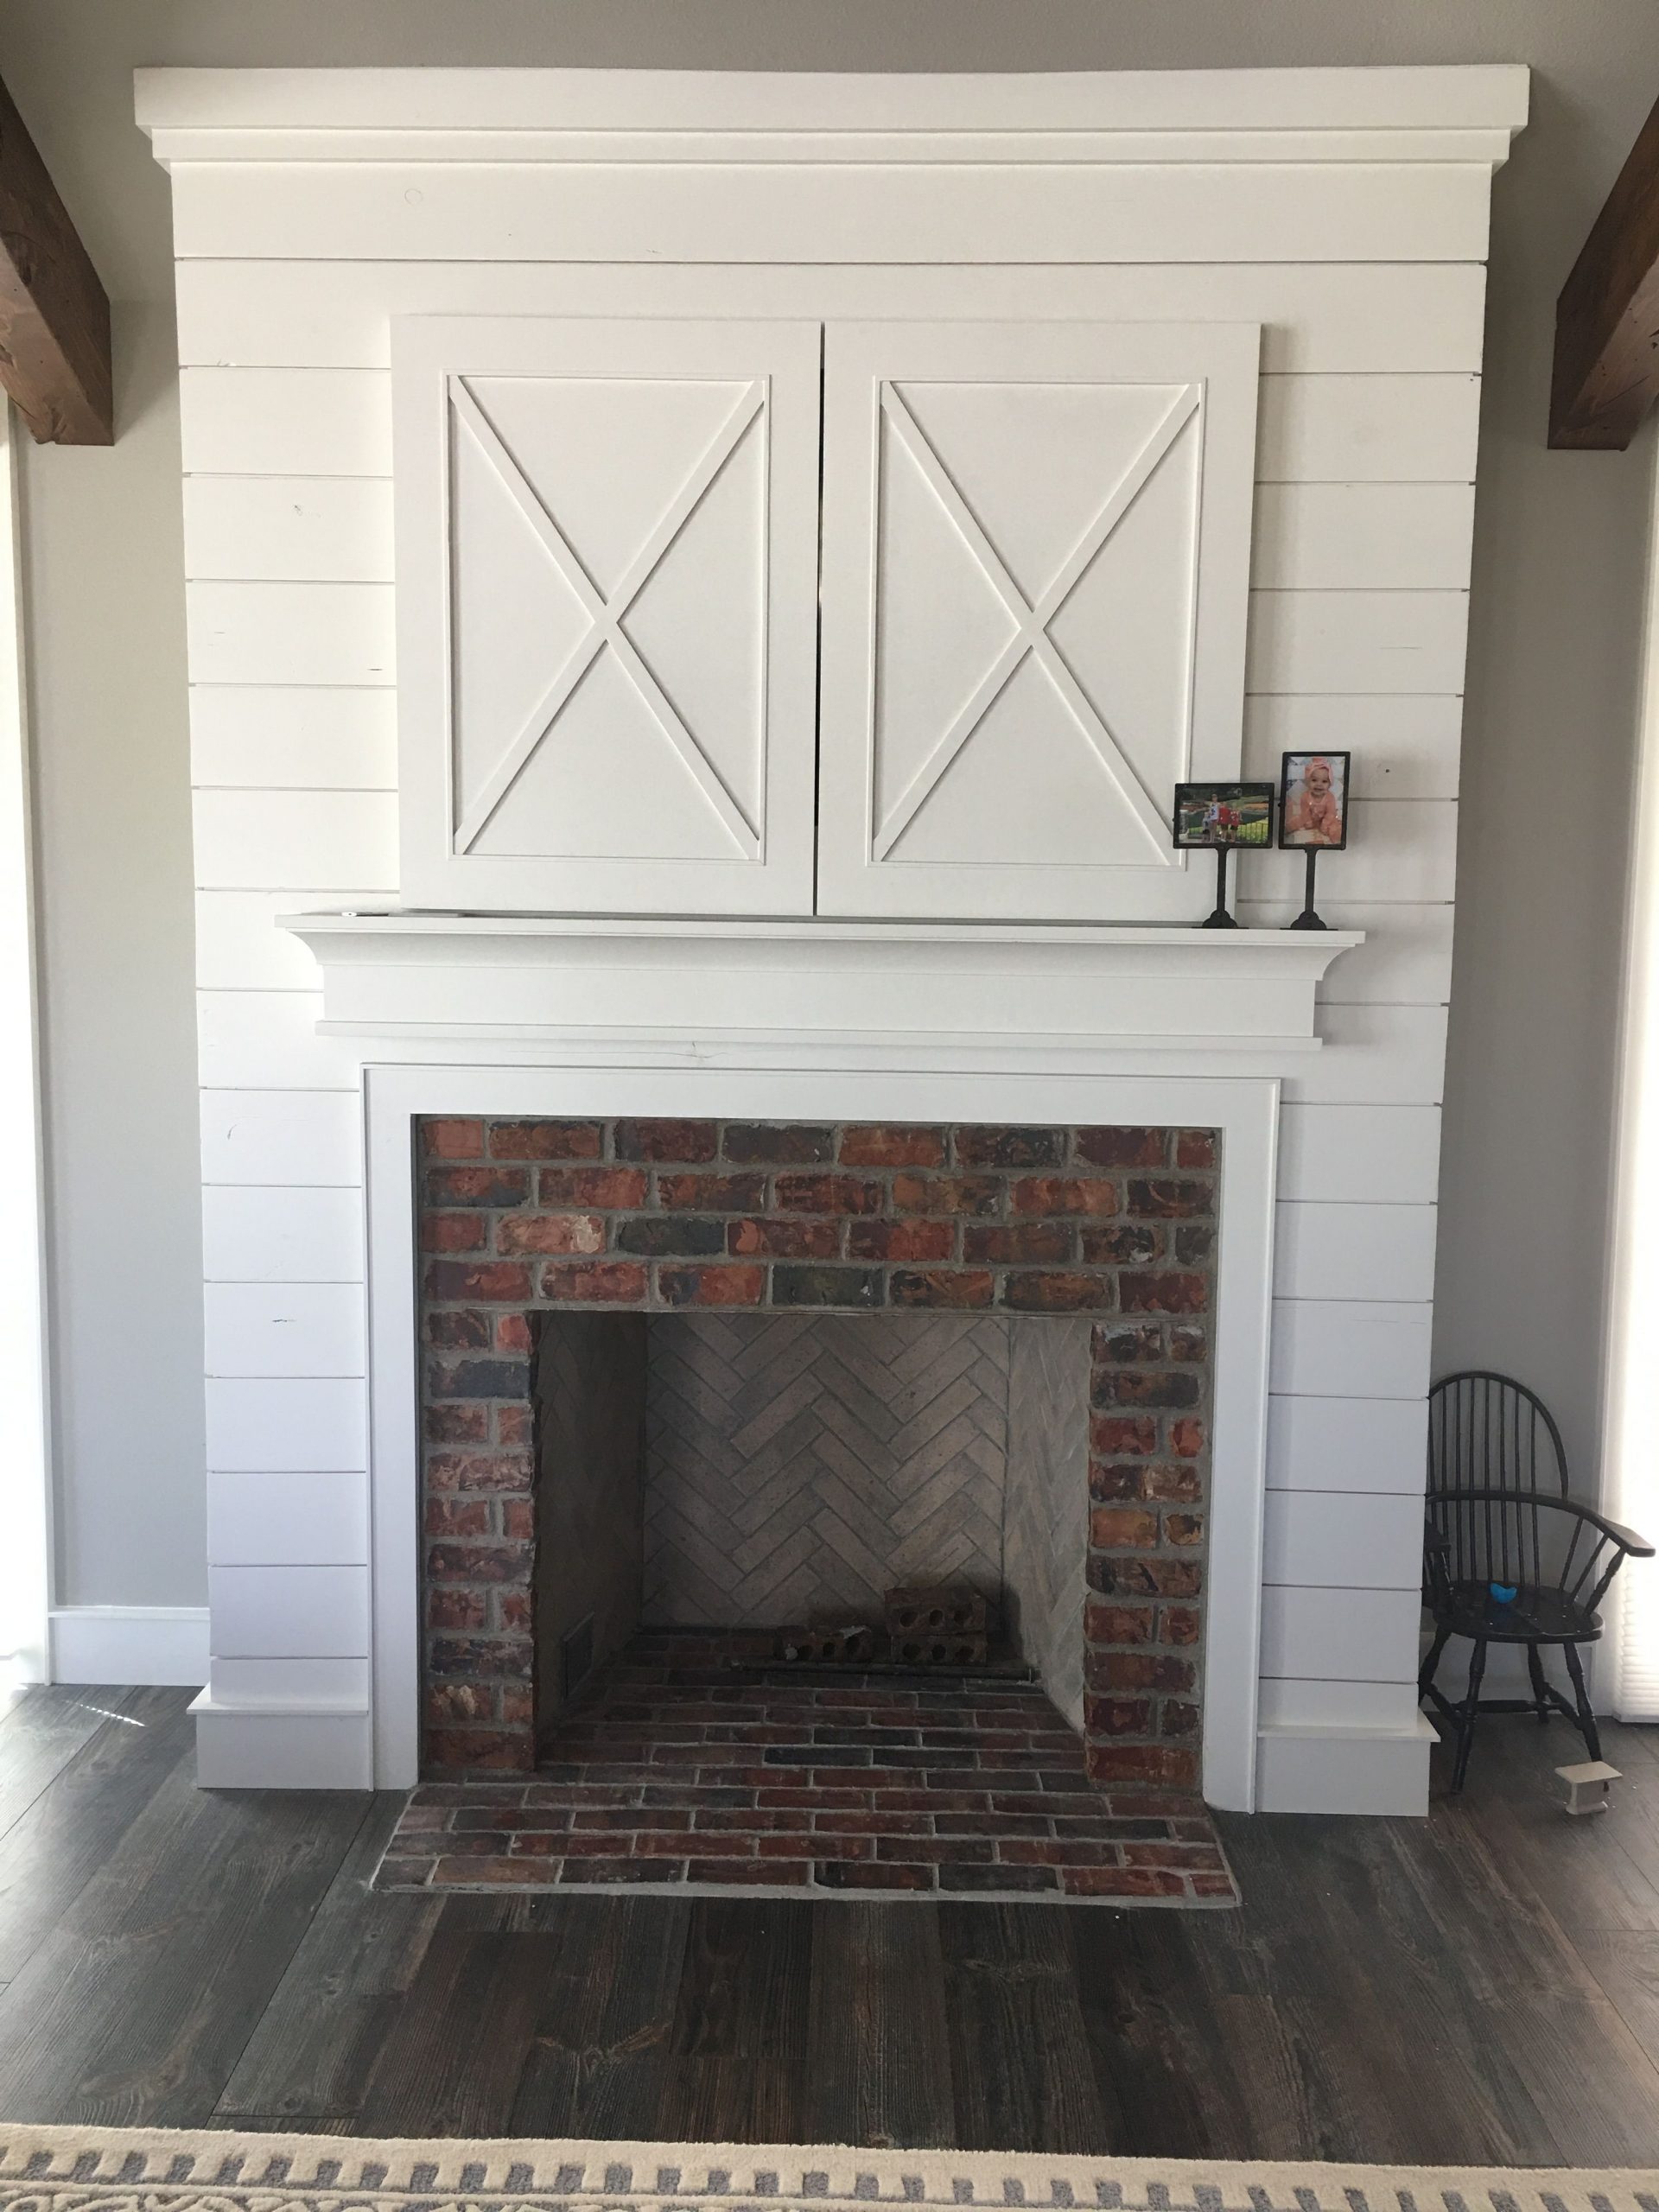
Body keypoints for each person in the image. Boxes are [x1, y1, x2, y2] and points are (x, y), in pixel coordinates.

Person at [1283, 754, 1344, 846]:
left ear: (1330, 784)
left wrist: (1325, 823)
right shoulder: (1305, 796)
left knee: (1335, 827)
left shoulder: (1329, 797)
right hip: (1311, 817)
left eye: (1324, 781)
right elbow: (1305, 811)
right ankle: (1283, 832)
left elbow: (1331, 813)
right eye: (1314, 780)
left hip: (1325, 819)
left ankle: (1337, 838)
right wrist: (1308, 821)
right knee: (1297, 820)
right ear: (1308, 781)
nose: (1319, 784)